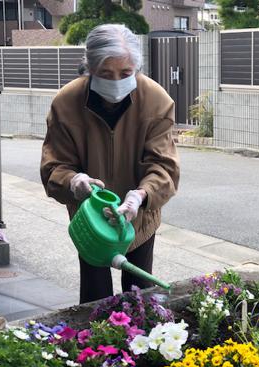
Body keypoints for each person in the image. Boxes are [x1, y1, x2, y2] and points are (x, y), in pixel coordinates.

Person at [40, 24, 180, 304]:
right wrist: (73, 182)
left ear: (136, 69)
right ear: (89, 67)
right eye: (105, 73)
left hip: (138, 218)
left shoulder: (156, 101)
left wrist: (140, 196)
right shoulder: (66, 103)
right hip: (91, 221)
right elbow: (54, 167)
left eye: (125, 73)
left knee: (139, 295)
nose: (116, 81)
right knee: (94, 298)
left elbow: (164, 167)